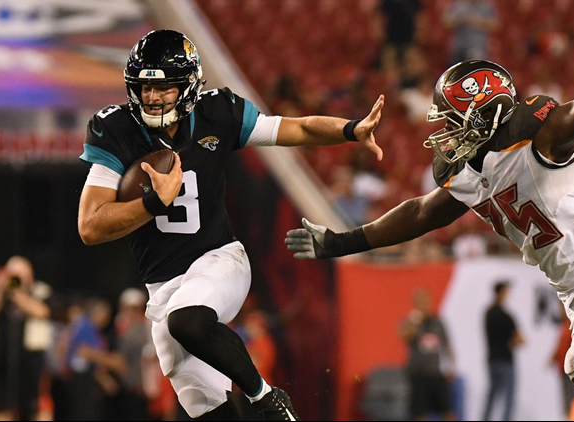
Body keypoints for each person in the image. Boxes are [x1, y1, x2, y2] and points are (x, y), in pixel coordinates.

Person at [286, 49, 574, 421]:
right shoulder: (471, 170)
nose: (443, 132)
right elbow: (420, 212)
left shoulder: (541, 137)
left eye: (452, 120)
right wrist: (342, 242)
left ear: (484, 113)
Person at [77, 29, 384, 421]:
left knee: (186, 320)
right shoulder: (116, 128)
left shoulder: (218, 112)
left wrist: (350, 129)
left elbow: (296, 128)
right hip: (162, 287)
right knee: (205, 406)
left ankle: (266, 398)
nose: (152, 97)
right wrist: (154, 202)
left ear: (188, 85)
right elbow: (90, 225)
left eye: (164, 87)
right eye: (144, 87)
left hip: (219, 261)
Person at [0, 256, 51, 421]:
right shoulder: (1, 294)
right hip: (2, 359)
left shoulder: (40, 290)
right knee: (1, 407)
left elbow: (42, 312)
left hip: (31, 362)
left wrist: (18, 294)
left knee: (35, 407)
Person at [399, 289, 455, 421]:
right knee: (419, 413)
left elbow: (447, 345)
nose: (423, 305)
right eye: (420, 302)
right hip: (417, 374)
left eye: (425, 301)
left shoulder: (437, 323)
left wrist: (452, 366)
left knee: (447, 411)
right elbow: (403, 337)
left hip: (435, 373)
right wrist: (413, 322)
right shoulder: (411, 322)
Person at [482, 281, 523, 421]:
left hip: (493, 360)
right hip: (506, 360)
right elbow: (520, 340)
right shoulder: (507, 316)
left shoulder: (488, 313)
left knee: (492, 396)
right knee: (509, 397)